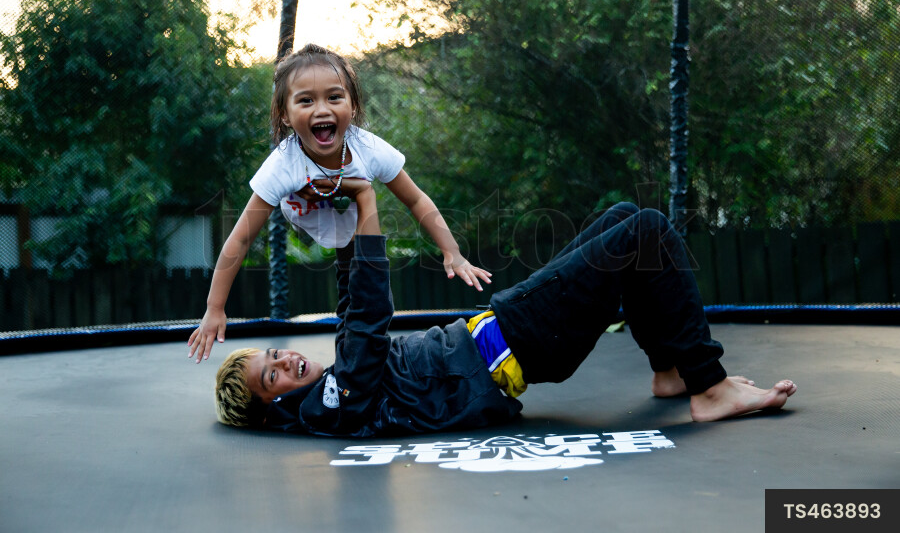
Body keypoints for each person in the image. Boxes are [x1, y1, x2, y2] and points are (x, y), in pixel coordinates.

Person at [213, 185, 797, 435]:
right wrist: (364, 203)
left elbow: (350, 319)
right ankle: (709, 387)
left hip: (509, 332)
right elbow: (364, 319)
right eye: (272, 376)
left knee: (623, 218)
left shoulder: (337, 392)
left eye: (274, 354)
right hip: (522, 341)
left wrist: (341, 231)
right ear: (275, 409)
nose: (285, 360)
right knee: (645, 230)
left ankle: (670, 369)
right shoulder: (333, 403)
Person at [189, 44, 491, 363]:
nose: (322, 109)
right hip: (306, 211)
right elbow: (241, 238)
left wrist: (452, 252)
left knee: (366, 296)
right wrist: (215, 307)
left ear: (353, 105)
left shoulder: (367, 148)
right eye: (306, 100)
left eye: (334, 97)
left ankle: (352, 358)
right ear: (285, 115)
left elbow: (415, 198)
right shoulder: (282, 164)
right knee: (355, 269)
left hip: (354, 215)